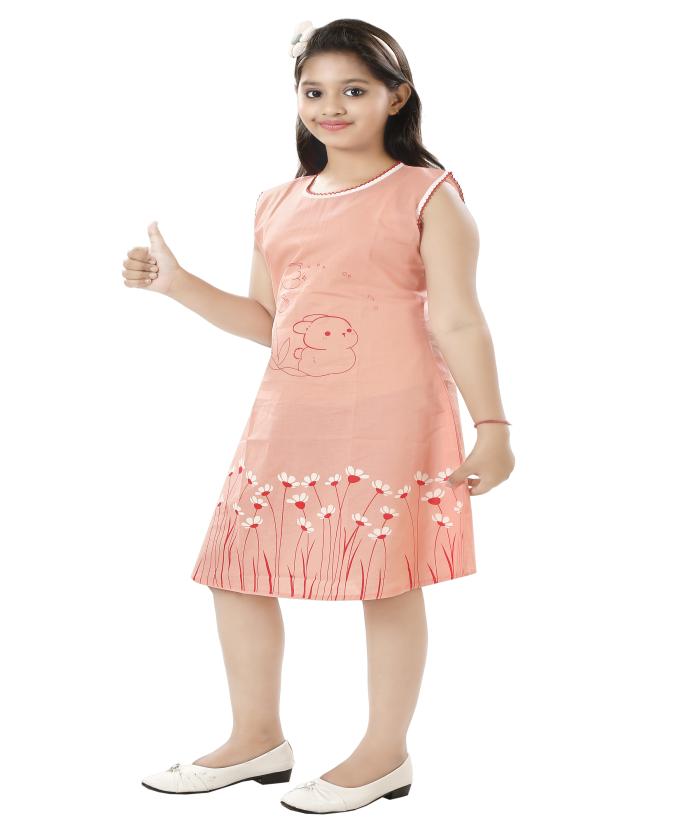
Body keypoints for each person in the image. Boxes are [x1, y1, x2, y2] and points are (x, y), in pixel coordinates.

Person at [131, 18, 515, 814]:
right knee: (233, 568)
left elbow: (459, 320)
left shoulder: (428, 195)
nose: (330, 107)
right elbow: (271, 322)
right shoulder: (276, 203)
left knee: (387, 578)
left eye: (353, 90)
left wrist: (494, 428)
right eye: (314, 91)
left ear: (395, 98)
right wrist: (178, 284)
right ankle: (255, 738)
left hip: (391, 417)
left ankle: (384, 753)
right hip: (287, 416)